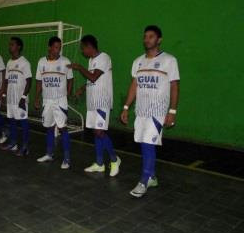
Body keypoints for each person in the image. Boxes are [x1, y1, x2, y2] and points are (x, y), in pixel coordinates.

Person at [121, 25, 180, 198]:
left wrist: (173, 111)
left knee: (148, 143)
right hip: (141, 111)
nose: (147, 39)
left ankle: (144, 180)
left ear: (159, 40)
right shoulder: (138, 61)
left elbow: (174, 86)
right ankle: (152, 176)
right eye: (145, 36)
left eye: (151, 36)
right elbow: (134, 85)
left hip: (158, 111)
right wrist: (126, 107)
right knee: (143, 143)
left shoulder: (169, 60)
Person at [68, 35, 121, 176]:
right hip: (92, 101)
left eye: (82, 48)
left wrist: (79, 67)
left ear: (89, 47)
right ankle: (99, 163)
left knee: (100, 132)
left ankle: (115, 160)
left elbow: (93, 77)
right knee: (96, 133)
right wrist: (83, 88)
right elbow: (93, 80)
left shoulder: (104, 58)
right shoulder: (92, 60)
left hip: (102, 101)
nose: (82, 51)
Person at [35, 36, 74, 169]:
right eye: (56, 47)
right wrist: (36, 98)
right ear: (50, 47)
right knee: (49, 127)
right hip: (47, 100)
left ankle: (67, 159)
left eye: (60, 47)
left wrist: (68, 93)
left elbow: (70, 79)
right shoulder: (41, 62)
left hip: (60, 100)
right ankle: (49, 153)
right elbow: (39, 81)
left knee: (63, 128)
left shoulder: (65, 62)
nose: (58, 50)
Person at [0, 37, 32, 156]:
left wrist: (23, 98)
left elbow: (29, 81)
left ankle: (25, 147)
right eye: (10, 44)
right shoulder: (9, 62)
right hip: (11, 99)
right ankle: (13, 143)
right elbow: (7, 80)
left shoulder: (24, 62)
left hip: (20, 100)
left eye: (12, 44)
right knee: (12, 121)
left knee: (23, 123)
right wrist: (3, 94)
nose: (10, 46)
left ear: (18, 47)